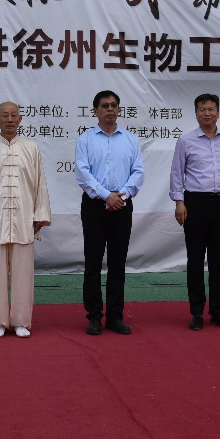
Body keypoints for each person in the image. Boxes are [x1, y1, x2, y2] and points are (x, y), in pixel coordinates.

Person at [0, 102, 51, 338]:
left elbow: (40, 184)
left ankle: (21, 321)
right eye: (4, 115)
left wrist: (40, 214)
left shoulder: (31, 148)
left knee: (23, 272)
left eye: (14, 115)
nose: (9, 119)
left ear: (20, 119)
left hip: (24, 217)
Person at [169, 93, 220, 331]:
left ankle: (218, 312)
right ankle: (196, 313)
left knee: (217, 261)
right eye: (202, 109)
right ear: (196, 114)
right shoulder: (186, 140)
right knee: (195, 260)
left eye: (211, 109)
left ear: (218, 113)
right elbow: (177, 173)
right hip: (194, 204)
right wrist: (179, 202)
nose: (207, 113)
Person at [75, 90, 144, 335]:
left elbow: (138, 172)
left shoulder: (130, 139)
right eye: (105, 106)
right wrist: (106, 196)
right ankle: (94, 316)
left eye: (114, 105)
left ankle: (115, 316)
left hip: (122, 205)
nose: (110, 109)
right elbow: (83, 174)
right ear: (95, 111)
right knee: (93, 263)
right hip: (94, 206)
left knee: (117, 263)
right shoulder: (85, 139)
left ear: (119, 109)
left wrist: (120, 196)